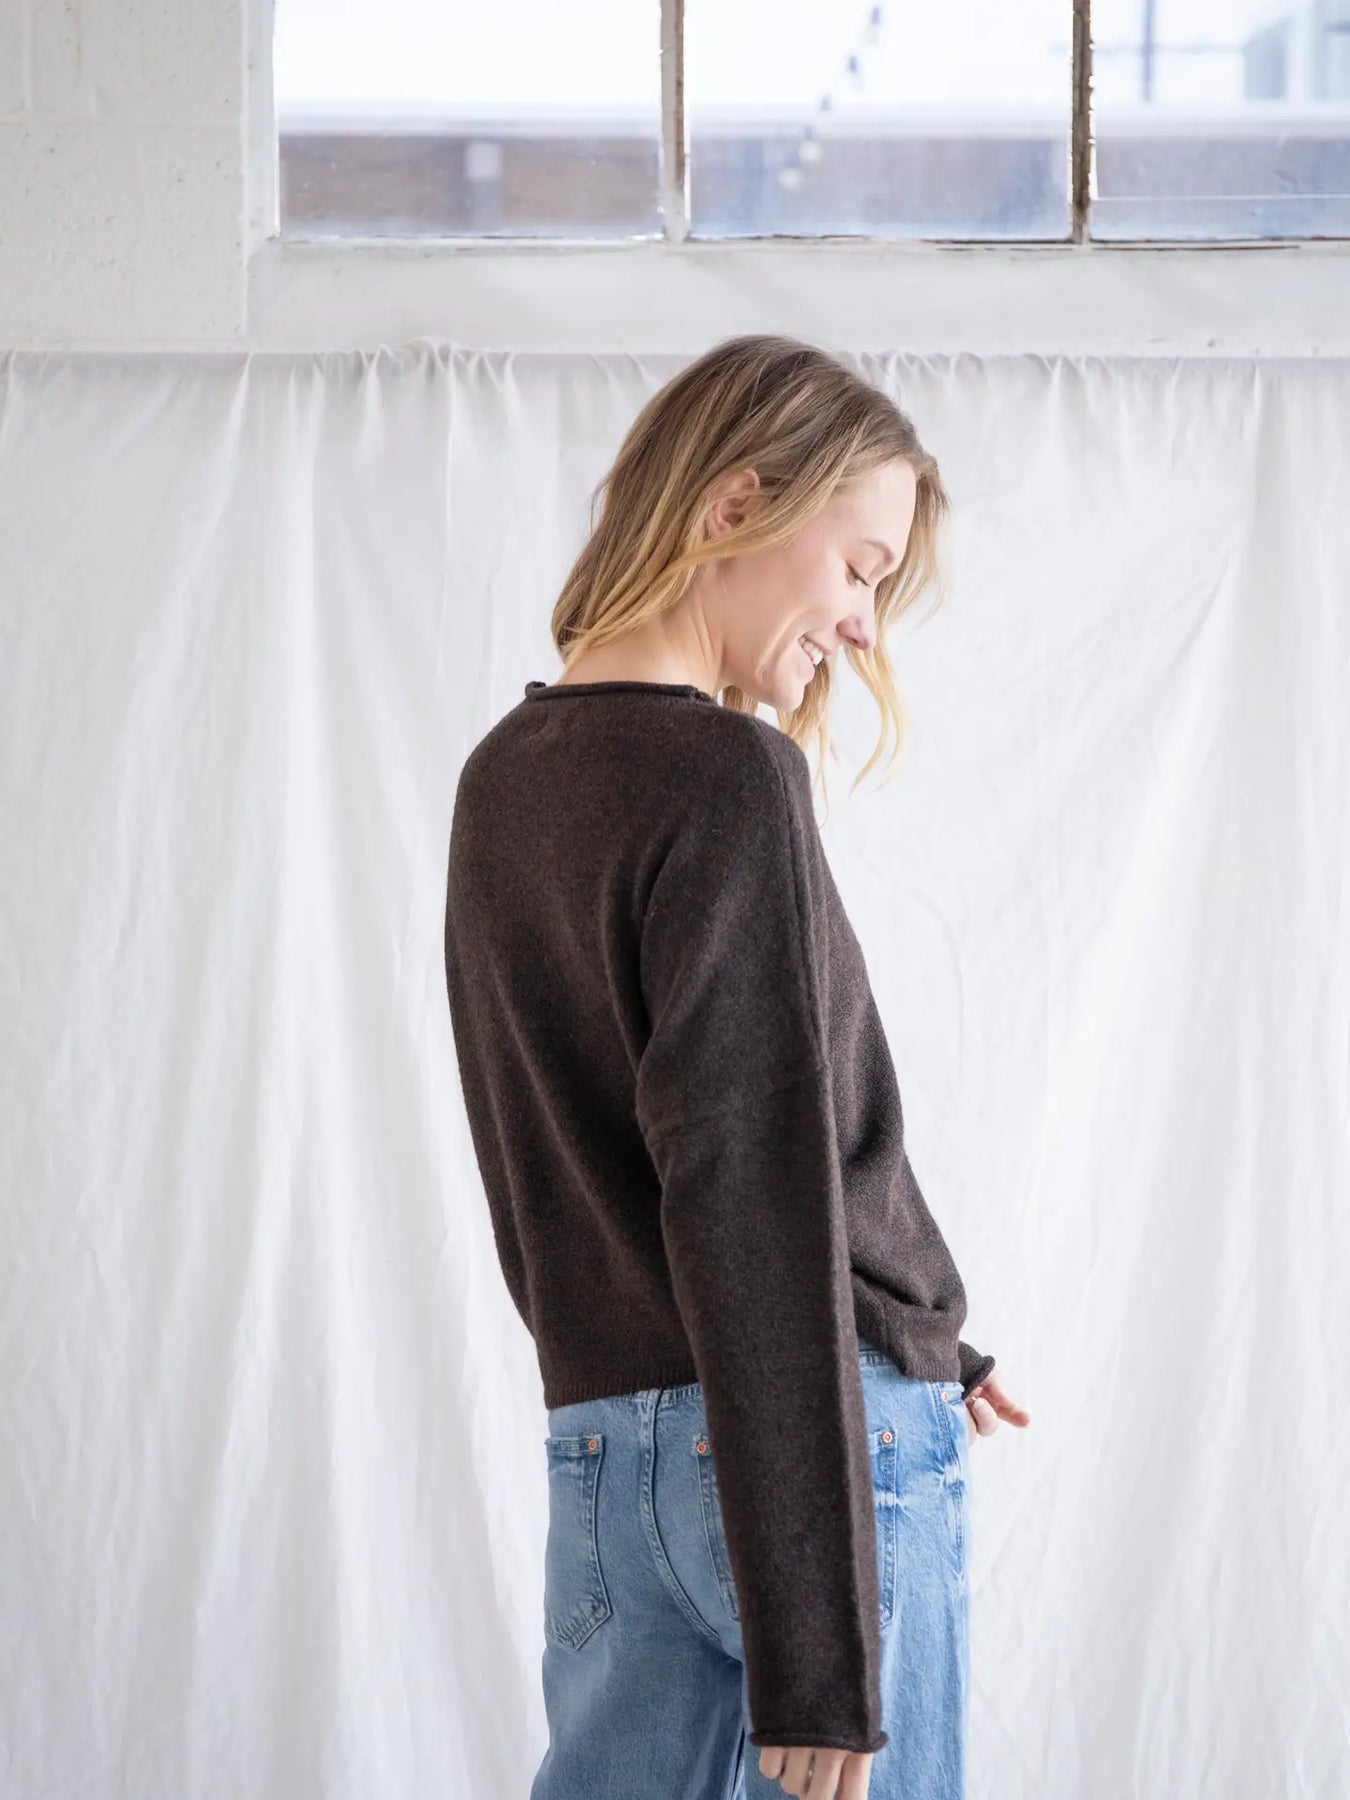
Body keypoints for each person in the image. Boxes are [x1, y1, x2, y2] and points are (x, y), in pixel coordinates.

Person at [443, 333, 1030, 1800]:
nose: (865, 628)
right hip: (795, 1468)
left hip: (604, 1456)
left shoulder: (502, 777)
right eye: (860, 569)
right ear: (733, 506)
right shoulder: (728, 776)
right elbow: (746, 1179)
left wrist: (915, 1332)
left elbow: (585, 1155)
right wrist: (818, 1648)